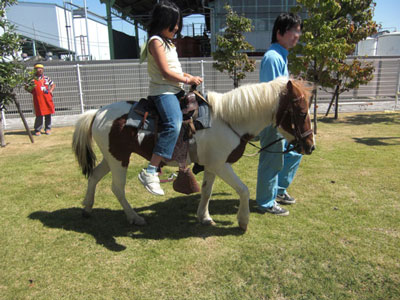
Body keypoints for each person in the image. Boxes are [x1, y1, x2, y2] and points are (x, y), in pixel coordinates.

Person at [138, 0, 203, 196]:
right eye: (173, 23)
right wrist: (188, 78)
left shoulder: (168, 43)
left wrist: (187, 79)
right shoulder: (155, 41)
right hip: (163, 92)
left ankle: (200, 159)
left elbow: (174, 70)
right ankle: (151, 171)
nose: (176, 28)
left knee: (204, 110)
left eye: (178, 24)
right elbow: (166, 73)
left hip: (176, 90)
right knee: (173, 124)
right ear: (161, 21)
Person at [256, 13, 302, 216]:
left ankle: (279, 191)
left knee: (294, 152)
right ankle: (266, 202)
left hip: (284, 119)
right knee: (272, 159)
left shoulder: (281, 55)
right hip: (273, 119)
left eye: (299, 31)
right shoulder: (272, 57)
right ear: (280, 32)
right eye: (294, 31)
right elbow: (271, 93)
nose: (297, 35)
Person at [25, 63, 56, 136]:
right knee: (39, 115)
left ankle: (48, 128)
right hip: (38, 99)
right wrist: (32, 91)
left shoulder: (46, 78)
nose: (40, 70)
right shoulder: (32, 79)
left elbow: (53, 84)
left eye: (41, 68)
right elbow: (26, 87)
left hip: (47, 99)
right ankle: (37, 129)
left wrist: (51, 90)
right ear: (35, 70)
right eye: (38, 68)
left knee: (48, 114)